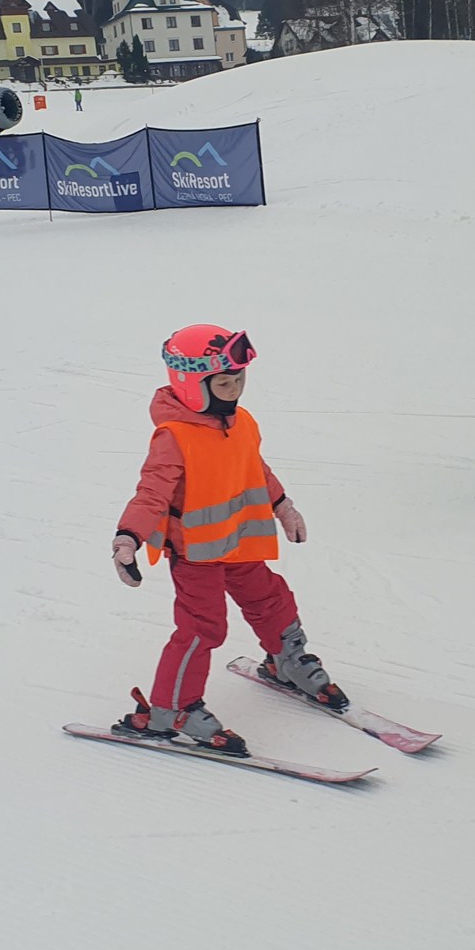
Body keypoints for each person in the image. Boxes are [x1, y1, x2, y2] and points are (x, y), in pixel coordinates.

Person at [109, 324, 346, 757]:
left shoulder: (242, 422)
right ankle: (170, 710)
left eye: (239, 379)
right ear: (191, 384)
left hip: (239, 543)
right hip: (196, 554)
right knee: (203, 627)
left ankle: (287, 660)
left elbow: (254, 468)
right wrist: (128, 537)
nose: (234, 390)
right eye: (223, 383)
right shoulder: (174, 437)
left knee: (271, 598)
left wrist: (283, 505)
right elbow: (152, 492)